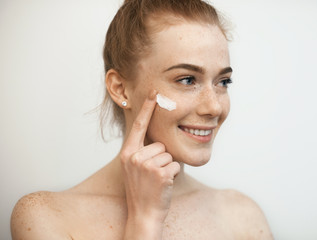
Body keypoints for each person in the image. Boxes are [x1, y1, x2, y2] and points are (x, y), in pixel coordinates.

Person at [10, 0, 273, 239]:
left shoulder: (243, 217)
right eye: (187, 79)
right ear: (120, 89)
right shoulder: (45, 217)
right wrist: (144, 221)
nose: (214, 106)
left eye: (223, 82)